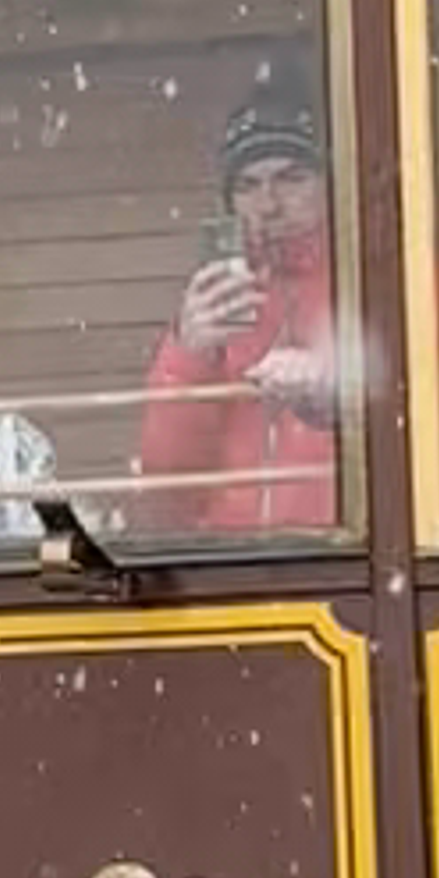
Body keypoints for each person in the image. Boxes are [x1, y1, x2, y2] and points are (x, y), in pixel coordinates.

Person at [134, 85, 345, 543]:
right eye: (248, 186)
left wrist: (343, 394)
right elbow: (169, 486)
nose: (269, 205)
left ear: (334, 183)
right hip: (234, 569)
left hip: (349, 559)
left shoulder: (396, 281)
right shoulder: (217, 300)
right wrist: (189, 357)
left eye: (292, 178)